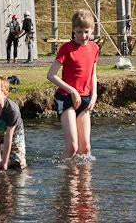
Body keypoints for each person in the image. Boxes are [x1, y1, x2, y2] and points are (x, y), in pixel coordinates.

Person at [47, 9, 99, 159]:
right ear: (73, 31)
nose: (83, 36)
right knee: (73, 147)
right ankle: (67, 178)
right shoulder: (66, 49)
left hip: (85, 98)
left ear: (92, 30)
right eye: (79, 32)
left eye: (86, 32)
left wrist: (94, 94)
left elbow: (93, 74)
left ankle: (84, 180)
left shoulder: (94, 48)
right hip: (66, 98)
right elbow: (51, 75)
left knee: (85, 148)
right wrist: (72, 91)